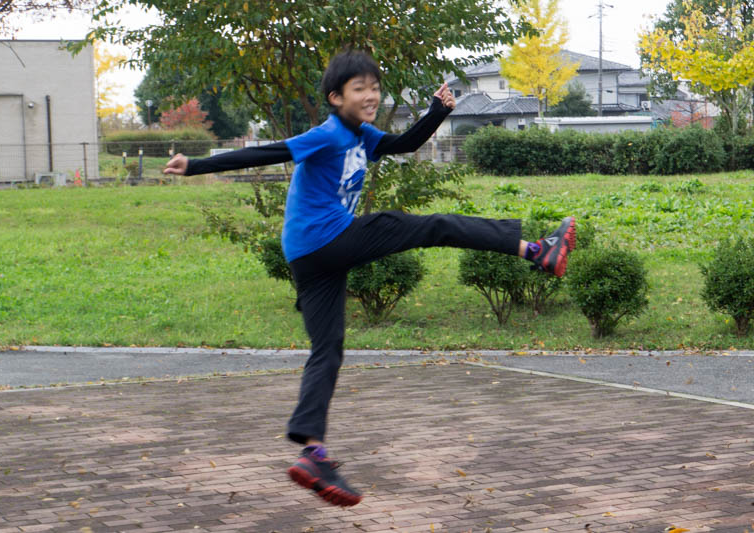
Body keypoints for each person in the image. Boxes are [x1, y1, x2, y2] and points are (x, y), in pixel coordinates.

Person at [164, 50, 576, 508]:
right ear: (335, 97)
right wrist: (194, 165)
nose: (371, 96)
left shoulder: (364, 136)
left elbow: (404, 144)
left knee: (327, 349)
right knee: (433, 226)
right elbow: (266, 152)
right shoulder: (327, 134)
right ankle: (537, 251)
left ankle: (313, 454)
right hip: (327, 239)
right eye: (359, 88)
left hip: (307, 257)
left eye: (375, 88)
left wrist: (437, 112)